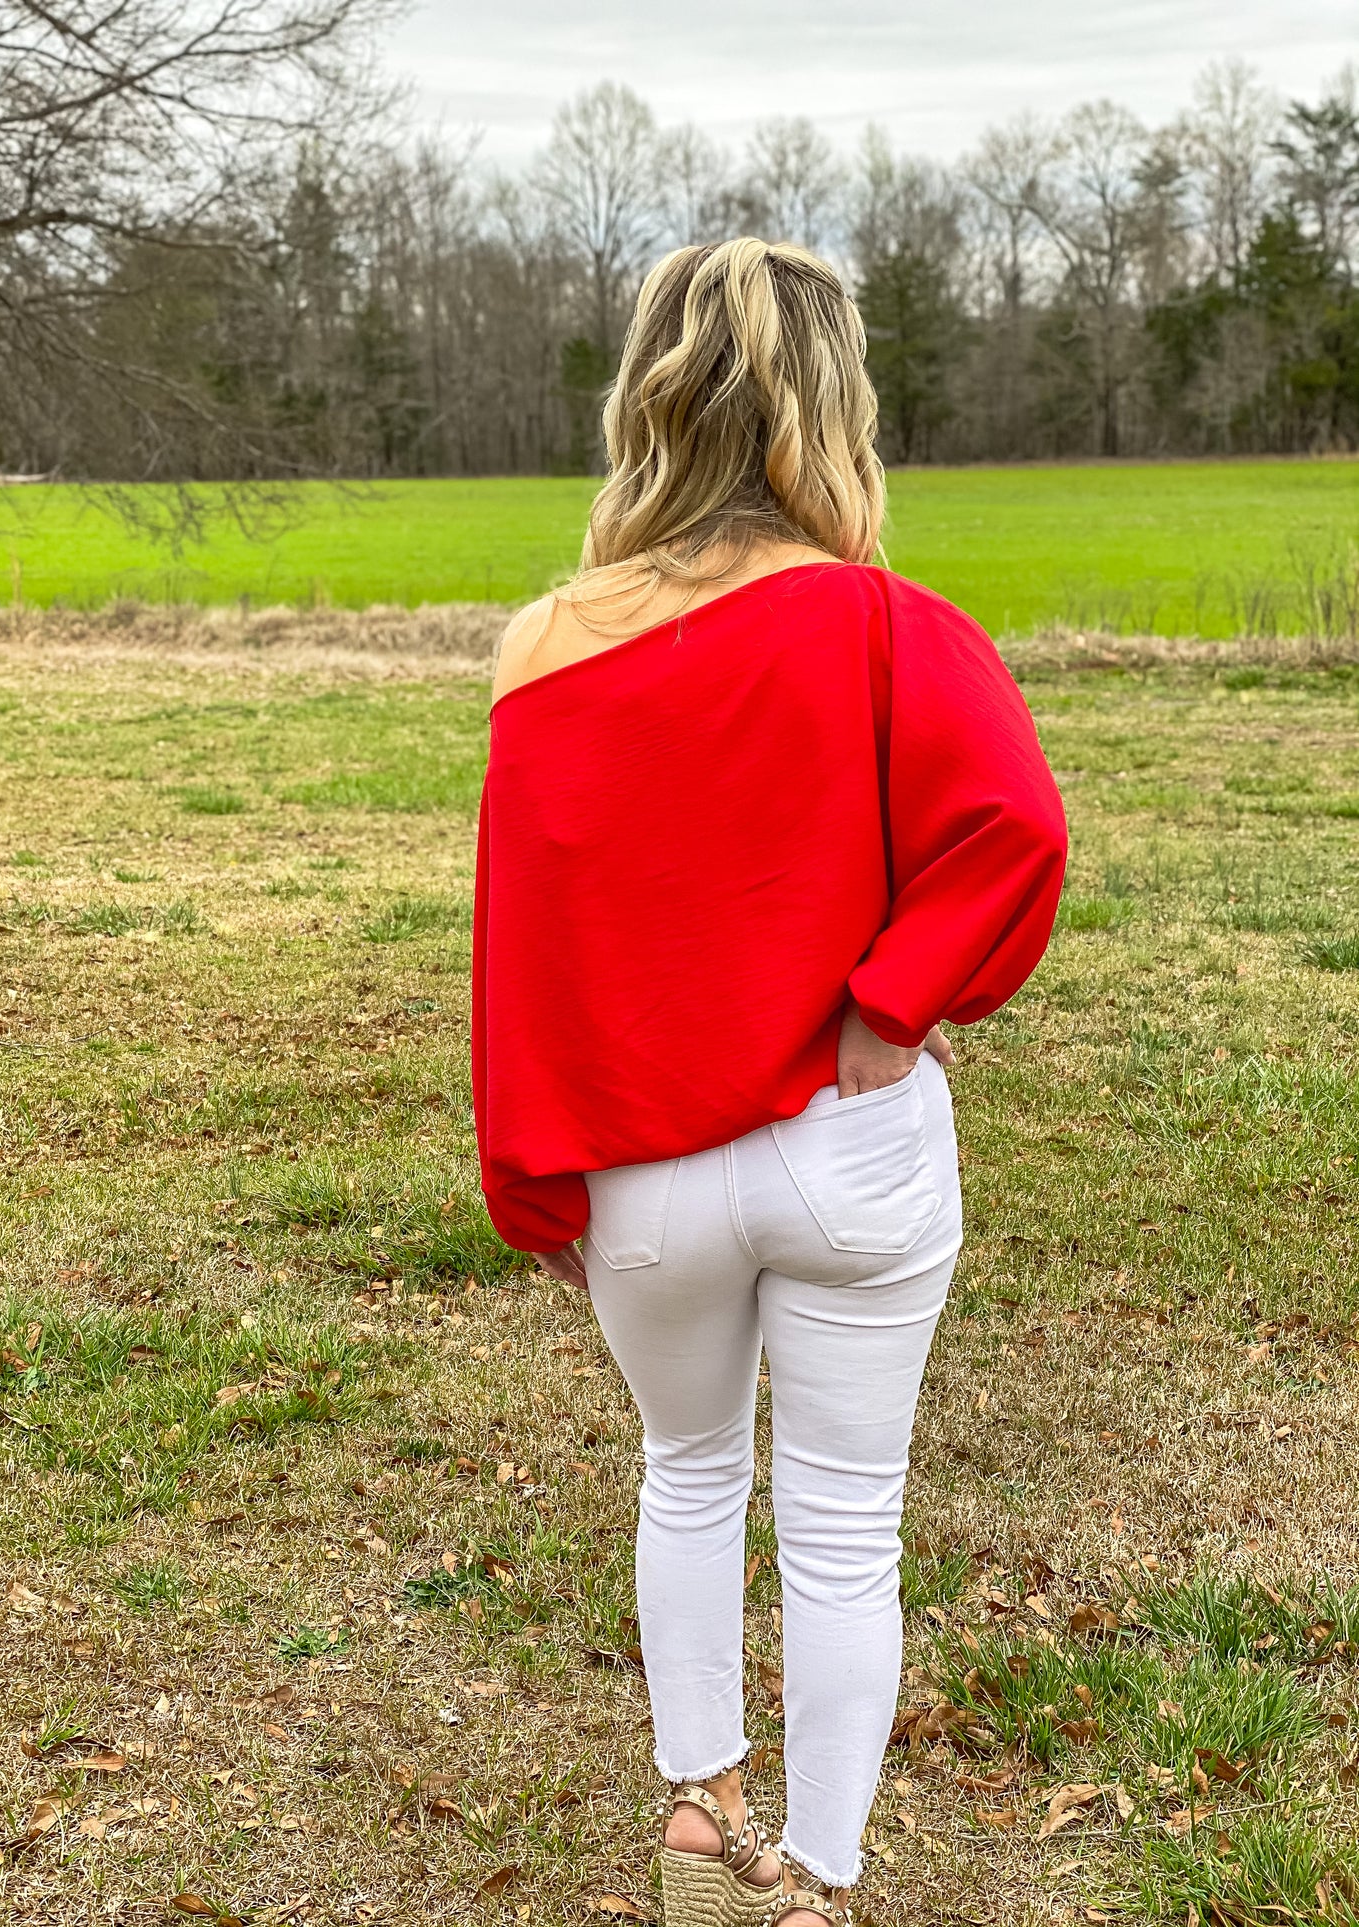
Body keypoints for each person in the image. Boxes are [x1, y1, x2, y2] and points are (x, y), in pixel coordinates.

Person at [472, 237, 1067, 1927]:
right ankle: (810, 1882)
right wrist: (891, 1006)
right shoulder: (883, 624)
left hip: (639, 1169)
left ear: (647, 392)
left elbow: (523, 940)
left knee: (685, 1472)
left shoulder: (545, 648)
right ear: (832, 404)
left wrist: (530, 1174)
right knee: (842, 1523)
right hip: (849, 1138)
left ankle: (695, 1815)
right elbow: (1012, 829)